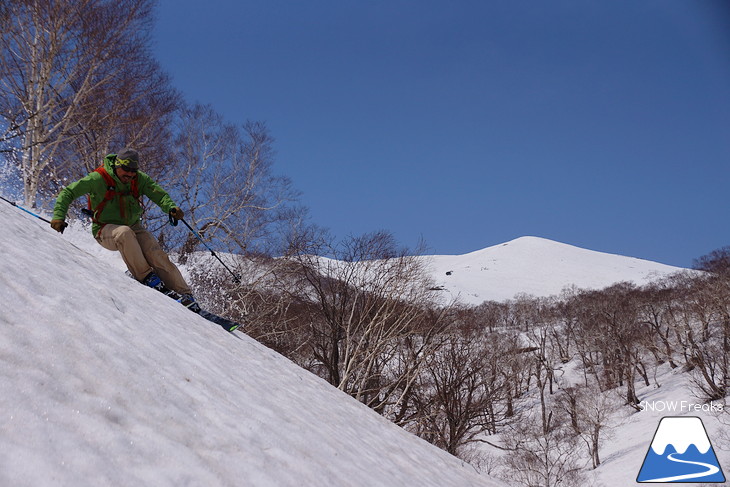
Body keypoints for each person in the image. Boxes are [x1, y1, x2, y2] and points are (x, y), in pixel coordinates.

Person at [50, 148, 200, 311]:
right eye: (126, 170)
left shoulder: (138, 179)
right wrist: (59, 216)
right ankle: (146, 277)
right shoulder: (98, 178)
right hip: (104, 229)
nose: (129, 175)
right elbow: (68, 192)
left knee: (153, 249)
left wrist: (171, 207)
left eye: (133, 172)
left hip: (134, 226)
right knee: (124, 233)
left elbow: (158, 194)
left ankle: (185, 294)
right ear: (117, 165)